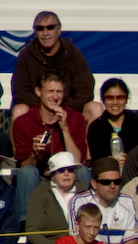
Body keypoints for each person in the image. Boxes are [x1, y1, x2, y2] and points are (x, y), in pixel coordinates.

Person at [12, 69, 90, 220]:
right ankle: (27, 224)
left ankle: (84, 220)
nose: (55, 97)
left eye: (59, 92)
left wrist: (65, 128)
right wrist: (34, 154)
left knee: (83, 171)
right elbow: (24, 165)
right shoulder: (23, 122)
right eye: (50, 91)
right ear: (38, 91)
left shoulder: (76, 119)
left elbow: (77, 161)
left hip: (67, 176)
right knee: (27, 172)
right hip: (41, 177)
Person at [11, 11, 99, 127]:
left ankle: (85, 146)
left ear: (59, 30)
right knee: (19, 110)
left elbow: (85, 90)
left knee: (95, 108)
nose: (45, 33)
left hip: (69, 112)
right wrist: (45, 109)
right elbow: (20, 92)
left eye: (50, 27)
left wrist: (63, 110)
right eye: (40, 28)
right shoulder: (26, 56)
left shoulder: (73, 54)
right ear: (35, 32)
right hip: (37, 113)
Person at [86, 78, 138, 166]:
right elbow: (96, 159)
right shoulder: (96, 128)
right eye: (110, 98)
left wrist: (129, 160)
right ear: (103, 100)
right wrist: (108, 162)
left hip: (135, 171)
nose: (115, 102)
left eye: (120, 97)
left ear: (126, 99)